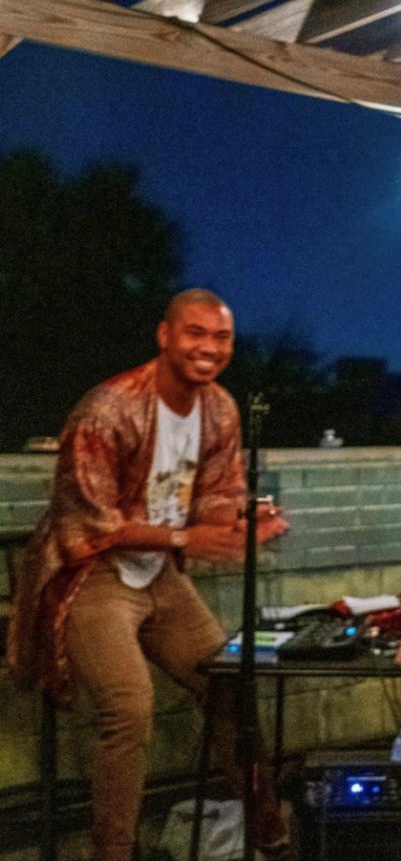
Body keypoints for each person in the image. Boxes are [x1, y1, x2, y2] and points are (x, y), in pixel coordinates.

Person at [6, 288, 289, 861]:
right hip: (92, 574)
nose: (208, 348)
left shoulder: (221, 409)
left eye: (221, 337)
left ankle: (271, 834)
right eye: (195, 333)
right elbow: (87, 519)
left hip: (158, 575)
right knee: (129, 705)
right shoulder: (109, 407)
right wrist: (188, 537)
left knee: (233, 685)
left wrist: (236, 520)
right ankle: (112, 852)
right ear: (165, 335)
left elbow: (216, 491)